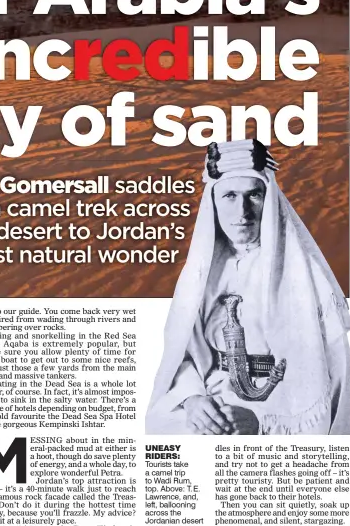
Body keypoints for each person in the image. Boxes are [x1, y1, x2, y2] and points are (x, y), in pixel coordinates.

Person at [146, 139, 350, 435]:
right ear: (213, 204)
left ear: (269, 200)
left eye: (253, 195)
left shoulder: (306, 274)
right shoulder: (203, 272)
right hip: (214, 401)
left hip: (283, 408)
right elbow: (185, 354)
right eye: (229, 195)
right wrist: (192, 400)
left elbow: (327, 374)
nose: (242, 210)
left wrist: (260, 421)